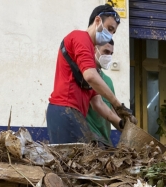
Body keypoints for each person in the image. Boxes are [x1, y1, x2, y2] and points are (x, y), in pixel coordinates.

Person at [47, 4, 136, 144]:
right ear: (98, 21)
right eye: (110, 28)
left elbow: (97, 103)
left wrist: (122, 124)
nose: (110, 35)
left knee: (81, 161)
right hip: (64, 109)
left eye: (113, 32)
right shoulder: (80, 37)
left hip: (73, 113)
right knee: (74, 163)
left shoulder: (90, 54)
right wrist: (119, 106)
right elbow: (90, 76)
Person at [86, 39, 122, 147]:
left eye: (111, 54)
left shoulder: (108, 81)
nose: (109, 57)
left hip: (105, 139)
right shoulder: (87, 76)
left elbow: (111, 111)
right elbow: (97, 104)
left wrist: (129, 130)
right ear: (94, 49)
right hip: (90, 139)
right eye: (106, 52)